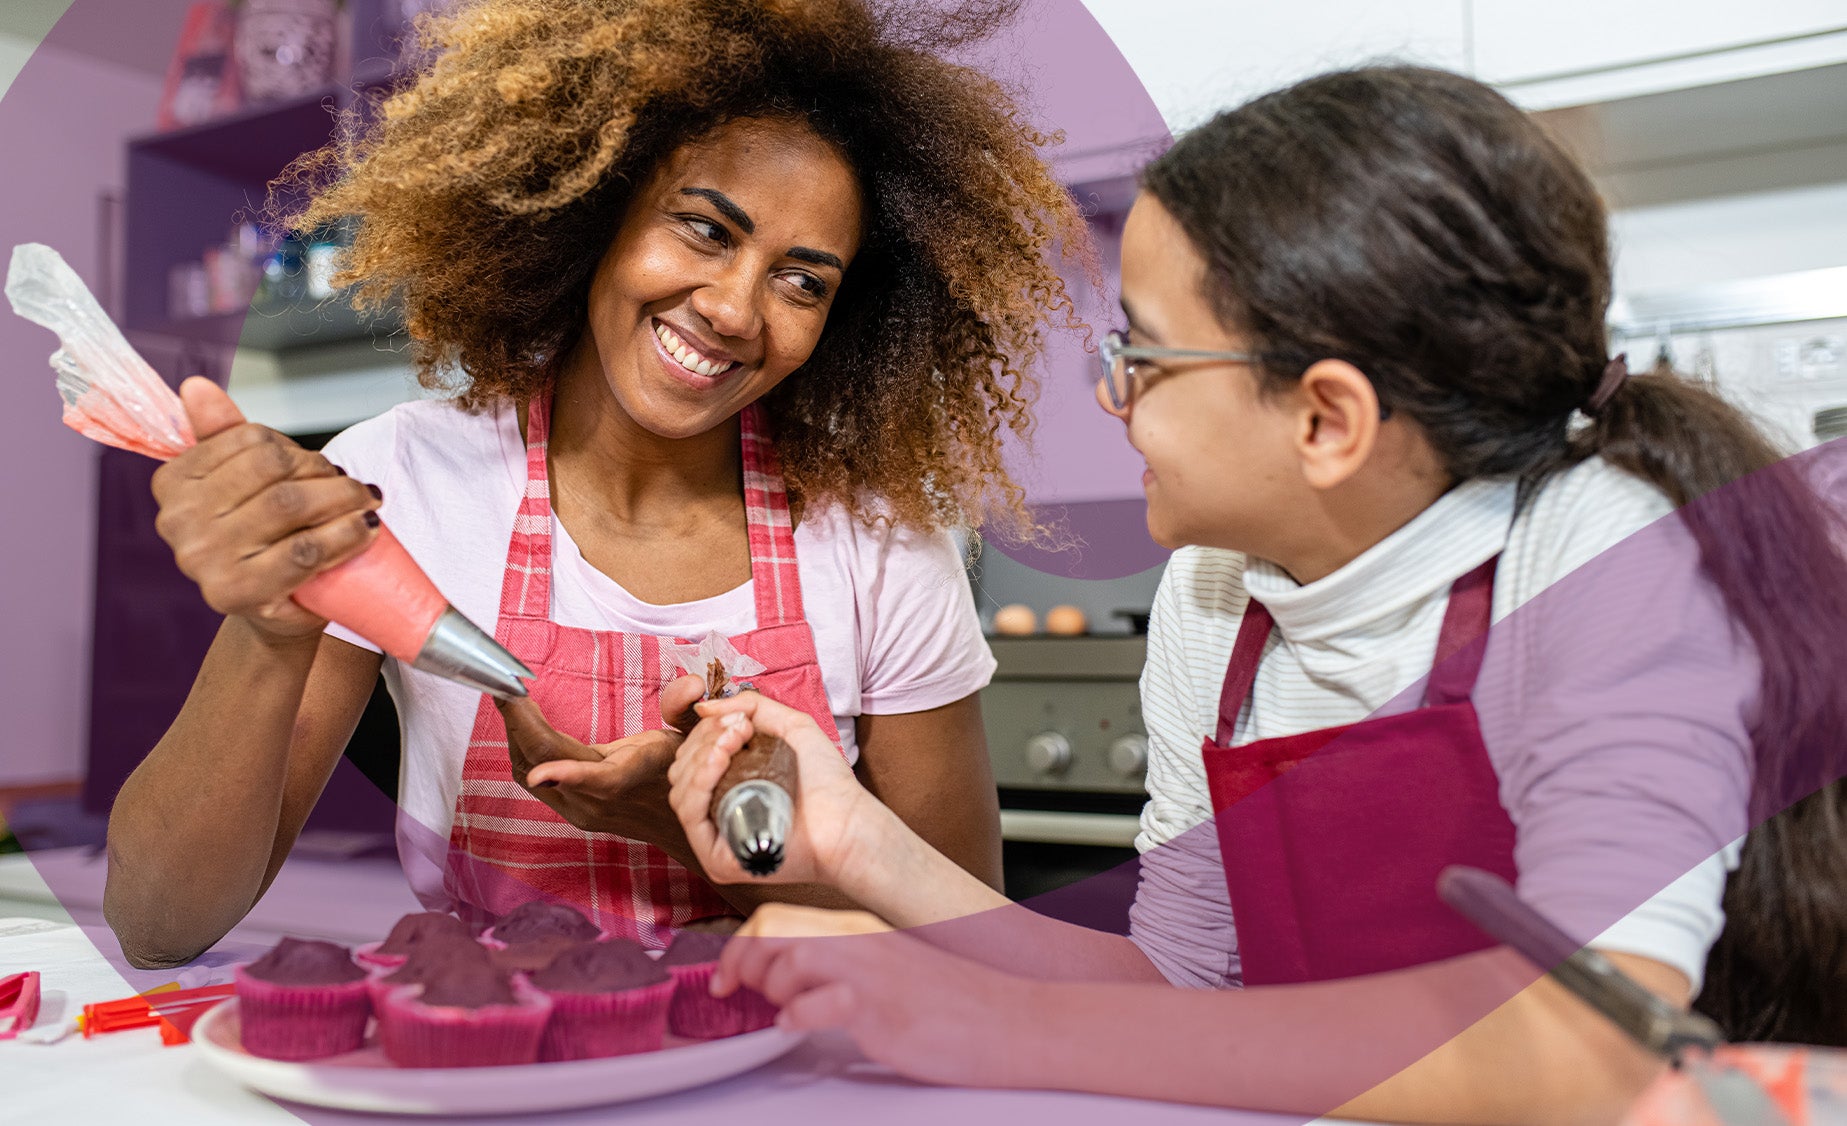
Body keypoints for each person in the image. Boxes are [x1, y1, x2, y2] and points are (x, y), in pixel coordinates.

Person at [667, 66, 1847, 1122]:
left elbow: (1588, 1037)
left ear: (1324, 418)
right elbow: (1176, 986)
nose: (1109, 396)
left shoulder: (1605, 558)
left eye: (1144, 356)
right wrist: (856, 839)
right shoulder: (1214, 596)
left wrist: (1004, 1024)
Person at [103, 0, 1089, 966]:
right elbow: (159, 922)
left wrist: (683, 828)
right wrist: (272, 628)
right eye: (704, 228)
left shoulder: (878, 538)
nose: (735, 308)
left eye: (802, 282)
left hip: (796, 1067)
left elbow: (974, 947)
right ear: (594, 209)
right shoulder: (401, 479)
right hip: (488, 1057)